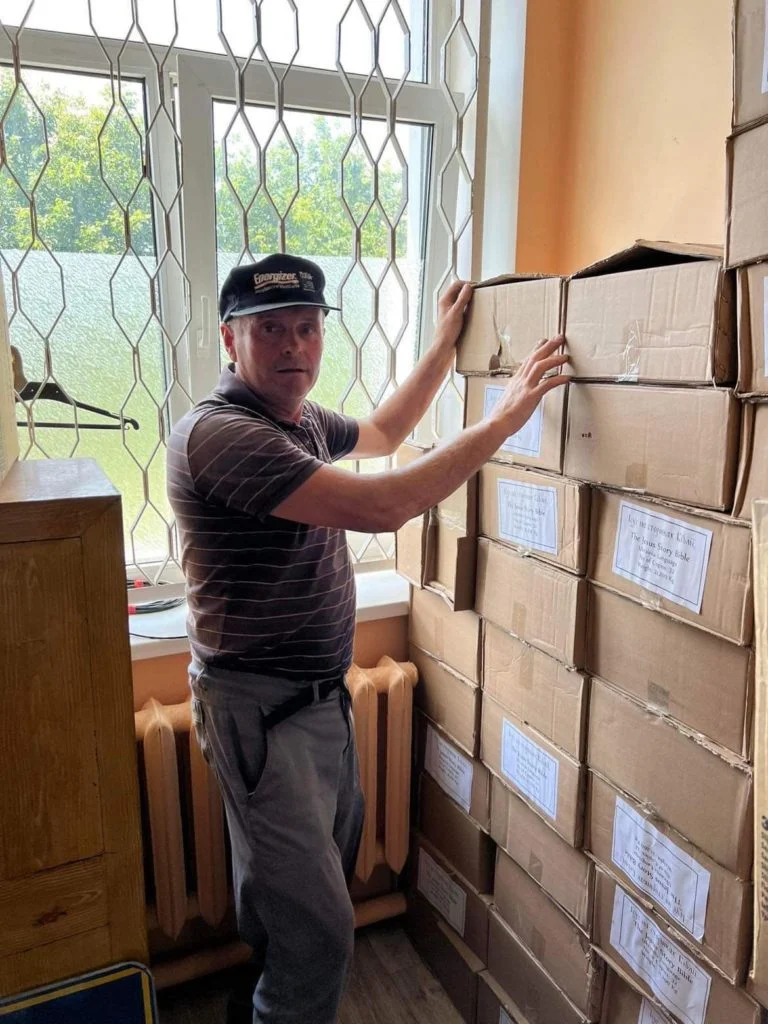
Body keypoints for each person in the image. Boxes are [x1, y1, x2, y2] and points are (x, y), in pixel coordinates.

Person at [167, 253, 567, 1024]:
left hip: (315, 701)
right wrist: (505, 421)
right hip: (261, 709)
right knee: (318, 929)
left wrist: (446, 345)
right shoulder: (221, 437)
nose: (294, 347)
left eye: (309, 329)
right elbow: (384, 504)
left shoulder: (303, 420)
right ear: (229, 340)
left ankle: (259, 1005)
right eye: (272, 330)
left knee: (293, 892)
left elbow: (384, 433)